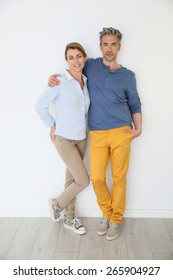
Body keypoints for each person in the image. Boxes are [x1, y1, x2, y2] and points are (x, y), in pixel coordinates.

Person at [48, 27, 142, 241]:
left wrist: (138, 128)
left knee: (119, 178)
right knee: (97, 178)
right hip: (97, 133)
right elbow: (71, 69)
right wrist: (53, 80)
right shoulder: (90, 65)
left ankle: (116, 219)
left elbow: (135, 104)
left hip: (121, 131)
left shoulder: (128, 75)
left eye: (113, 44)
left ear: (119, 46)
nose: (109, 48)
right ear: (100, 47)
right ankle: (106, 215)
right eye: (105, 44)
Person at [35, 42, 90, 235]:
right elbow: (40, 105)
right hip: (64, 139)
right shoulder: (59, 81)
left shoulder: (86, 80)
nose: (75, 61)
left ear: (84, 57)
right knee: (83, 181)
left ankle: (69, 218)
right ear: (66, 61)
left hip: (81, 138)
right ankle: (57, 204)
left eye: (78, 56)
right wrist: (51, 124)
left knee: (72, 180)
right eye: (71, 57)